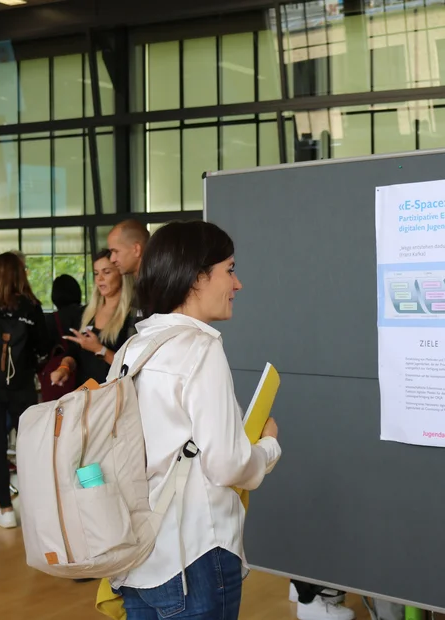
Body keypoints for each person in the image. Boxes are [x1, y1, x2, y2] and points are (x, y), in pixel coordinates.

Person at [109, 220, 281, 620]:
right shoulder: (201, 349)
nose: (237, 285)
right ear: (196, 277)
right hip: (195, 555)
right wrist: (268, 445)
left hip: (138, 556)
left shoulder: (133, 349)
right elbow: (226, 464)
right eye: (230, 269)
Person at [0, 252, 50, 529]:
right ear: (21, 274)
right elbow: (43, 348)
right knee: (30, 447)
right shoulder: (32, 306)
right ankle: (35, 510)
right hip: (22, 387)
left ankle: (5, 510)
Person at [49, 250, 135, 387]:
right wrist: (64, 368)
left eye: (106, 272)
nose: (99, 279)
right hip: (86, 396)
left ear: (121, 274)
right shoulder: (86, 313)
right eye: (96, 273)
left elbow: (133, 365)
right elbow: (74, 351)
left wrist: (100, 350)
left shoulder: (132, 317)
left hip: (114, 397)